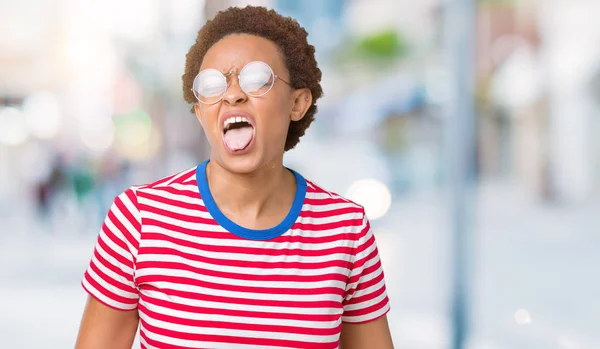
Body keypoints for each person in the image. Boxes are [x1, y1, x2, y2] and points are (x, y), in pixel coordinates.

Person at [75, 6, 393, 349]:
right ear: (200, 112)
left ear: (297, 103)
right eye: (211, 85)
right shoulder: (139, 219)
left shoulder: (346, 229)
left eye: (257, 79)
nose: (232, 94)